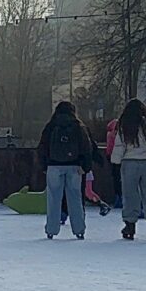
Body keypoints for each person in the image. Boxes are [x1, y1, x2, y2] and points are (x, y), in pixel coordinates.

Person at [37, 101, 98, 240]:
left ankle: (51, 229)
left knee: (53, 199)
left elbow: (42, 148)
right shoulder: (78, 126)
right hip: (74, 167)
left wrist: (44, 166)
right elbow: (86, 147)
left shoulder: (51, 126)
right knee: (75, 199)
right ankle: (79, 230)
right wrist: (86, 167)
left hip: (53, 166)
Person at [112, 98, 146, 242]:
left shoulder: (125, 125)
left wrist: (115, 161)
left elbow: (120, 145)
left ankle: (130, 224)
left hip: (129, 162)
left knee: (130, 195)